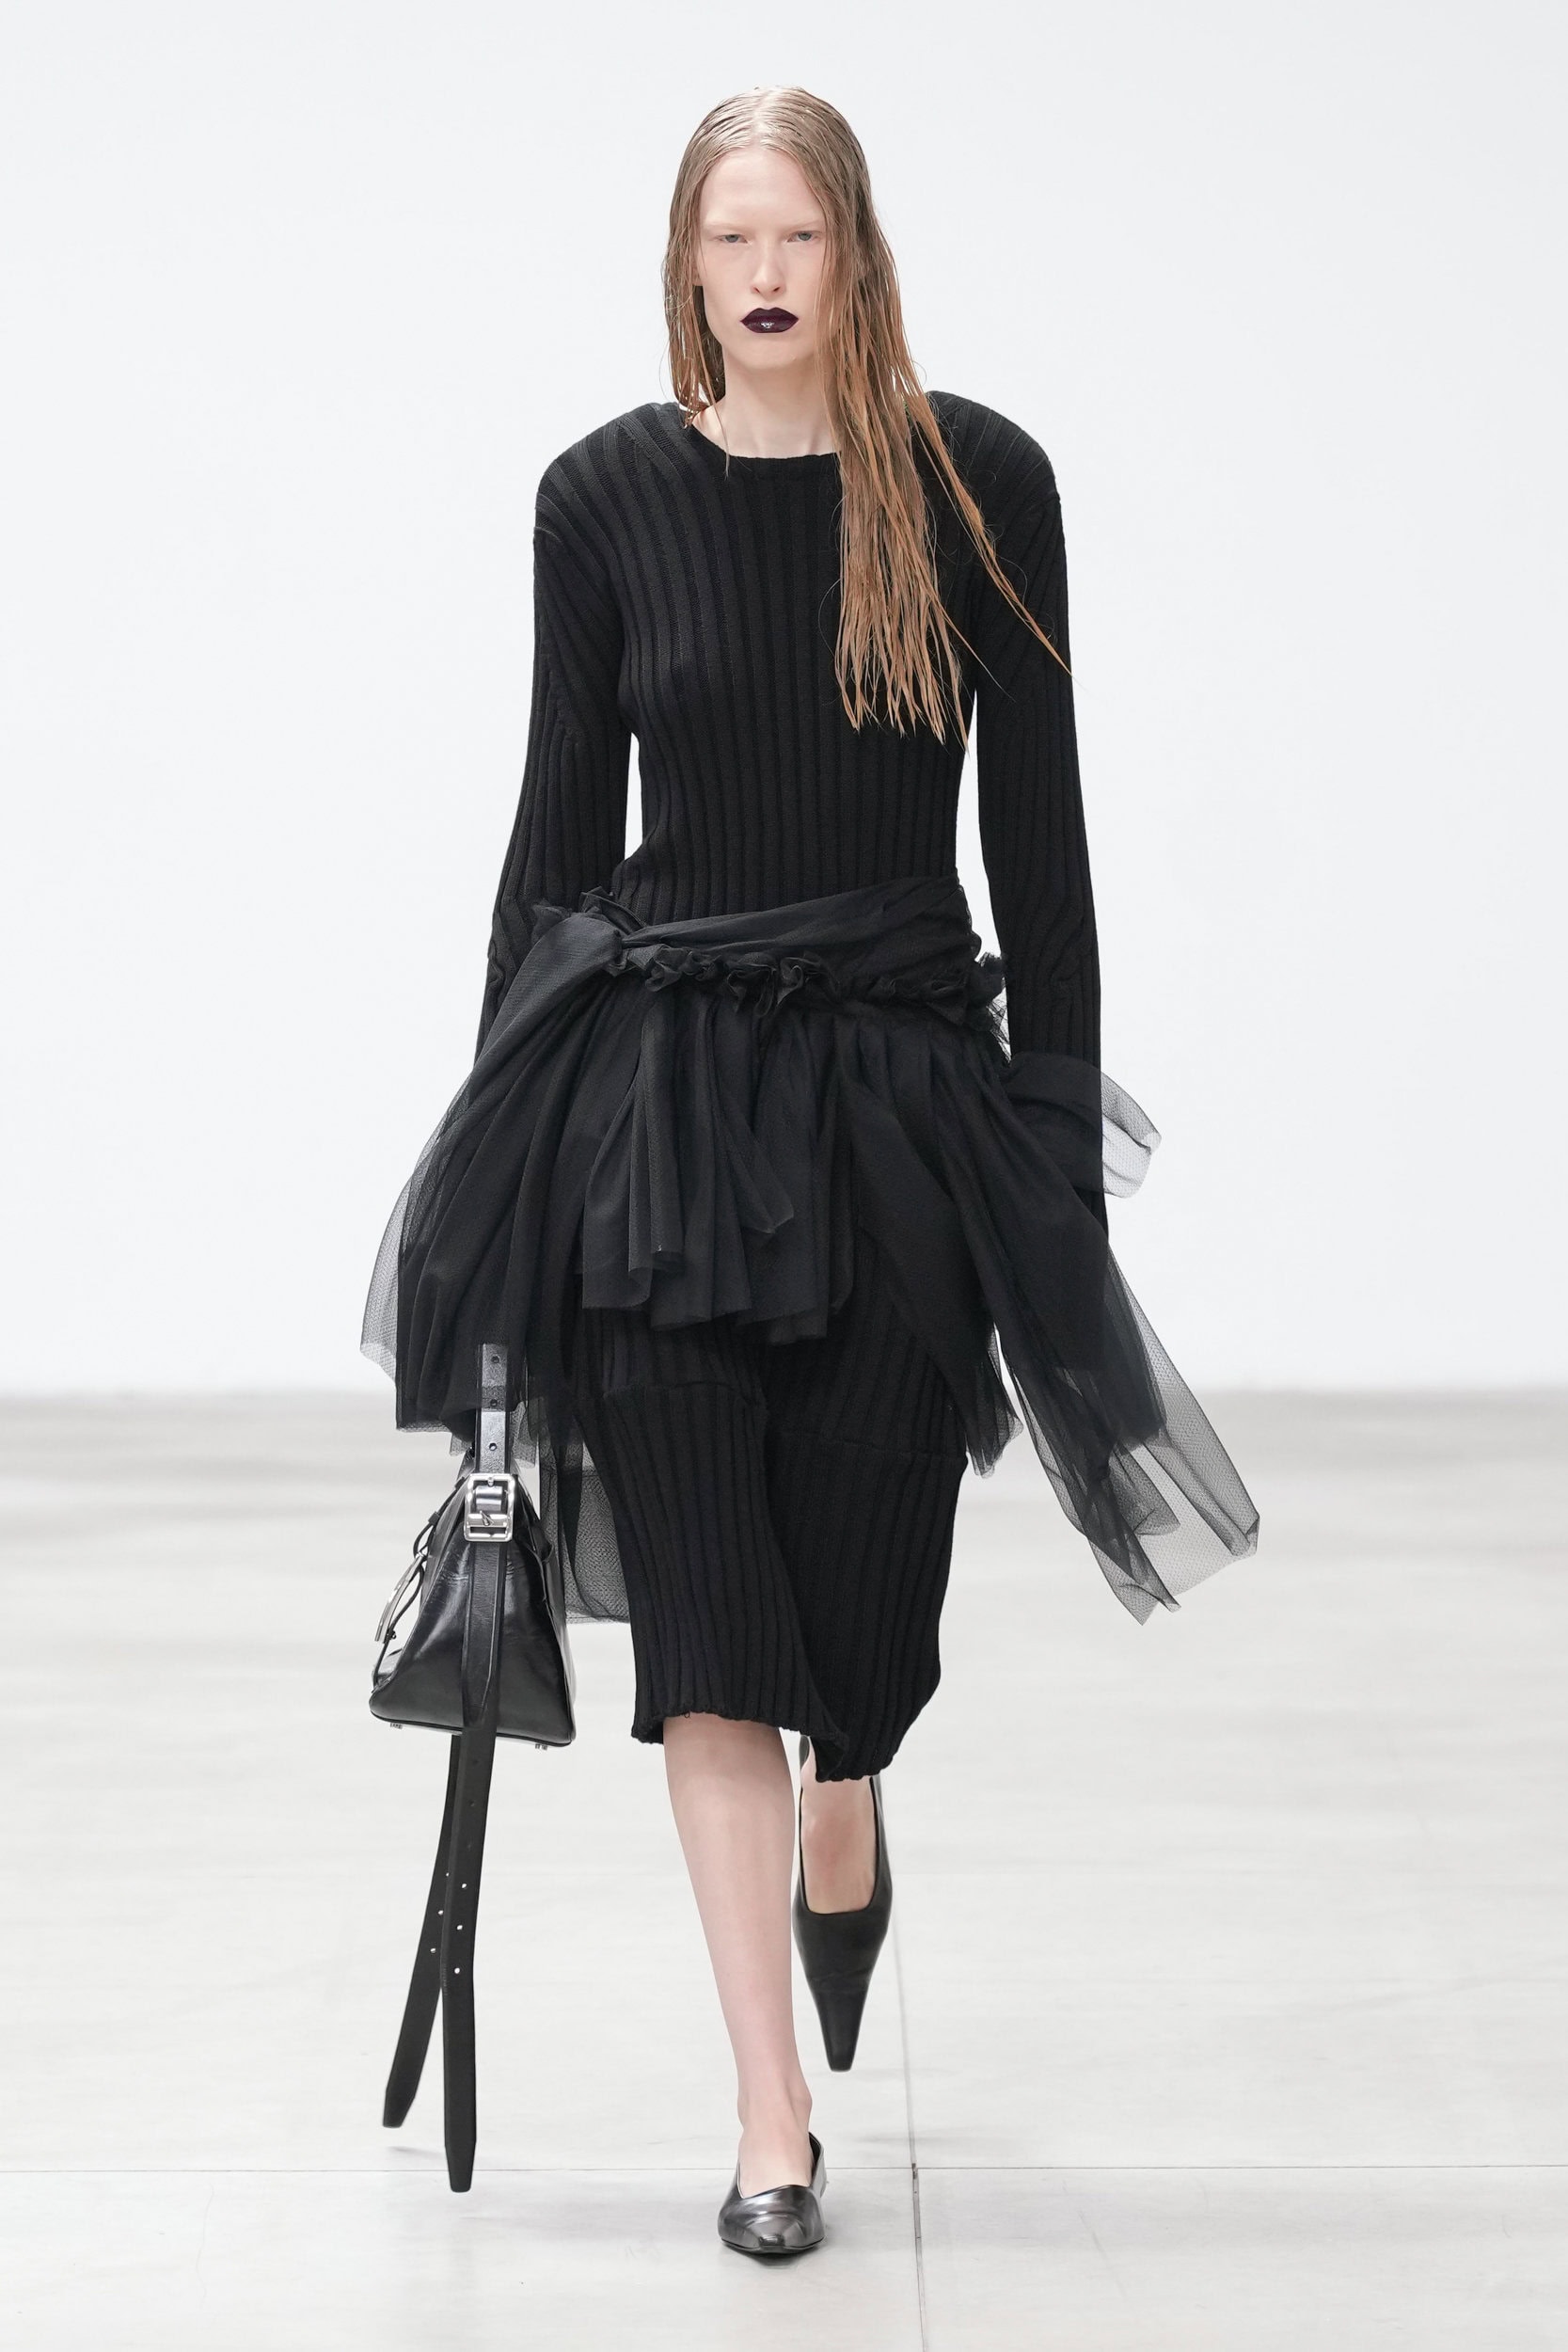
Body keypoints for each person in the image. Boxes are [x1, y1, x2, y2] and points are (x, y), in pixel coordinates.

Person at [362, 84, 1259, 2258]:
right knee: (708, 1637)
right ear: (686, 263)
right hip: (656, 1116)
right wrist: (489, 1187)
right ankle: (772, 2117)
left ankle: (849, 1795)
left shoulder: (978, 486)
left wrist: (1057, 1167)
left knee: (857, 1624)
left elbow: (1041, 849)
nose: (764, 275)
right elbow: (551, 850)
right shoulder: (602, 498)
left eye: (799, 236)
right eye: (728, 238)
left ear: (856, 253)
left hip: (896, 1118)